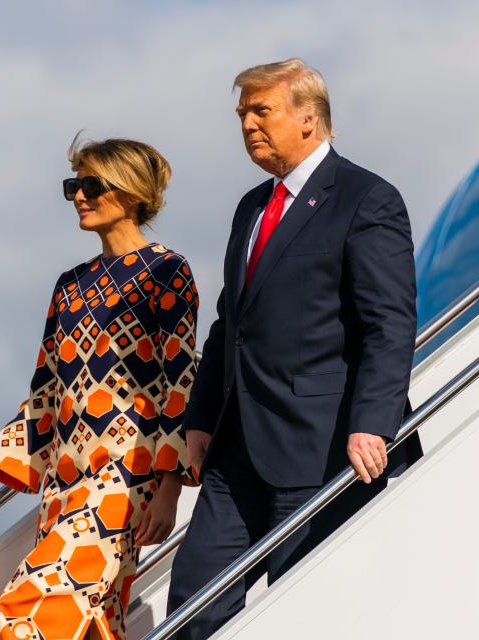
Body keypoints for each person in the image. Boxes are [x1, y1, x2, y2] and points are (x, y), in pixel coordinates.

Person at [166, 58, 421, 638]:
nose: (248, 125)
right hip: (236, 451)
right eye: (242, 114)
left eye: (262, 111)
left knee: (301, 612)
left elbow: (390, 323)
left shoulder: (366, 198)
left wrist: (374, 423)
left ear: (309, 119)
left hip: (323, 447)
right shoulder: (251, 207)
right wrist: (201, 418)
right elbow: (231, 323)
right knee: (192, 606)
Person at [0, 137, 198, 640]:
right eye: (73, 185)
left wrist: (168, 490)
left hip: (126, 477)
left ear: (132, 192)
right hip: (65, 479)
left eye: (92, 185)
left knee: (27, 608)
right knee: (96, 620)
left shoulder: (168, 272)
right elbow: (46, 394)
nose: (79, 195)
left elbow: (180, 382)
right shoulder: (69, 285)